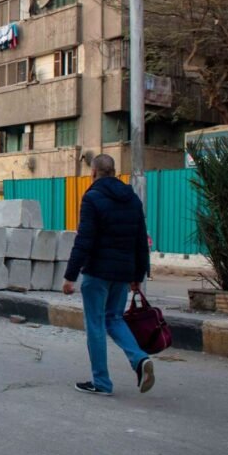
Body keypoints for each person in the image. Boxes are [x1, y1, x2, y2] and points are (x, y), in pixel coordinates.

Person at [63, 154, 154, 396]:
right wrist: (138, 276)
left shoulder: (92, 198)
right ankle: (139, 358)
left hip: (98, 272)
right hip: (123, 273)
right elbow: (140, 240)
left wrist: (70, 276)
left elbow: (84, 240)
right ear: (113, 171)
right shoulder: (132, 199)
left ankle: (101, 382)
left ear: (93, 172)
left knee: (95, 323)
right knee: (114, 318)